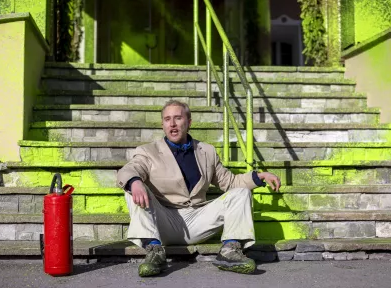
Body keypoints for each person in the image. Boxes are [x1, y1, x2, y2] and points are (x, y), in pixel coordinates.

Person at [117, 100, 281, 277]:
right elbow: (129, 169)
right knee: (132, 187)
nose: (172, 124)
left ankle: (229, 252)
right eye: (167, 119)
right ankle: (155, 253)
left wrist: (259, 177)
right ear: (163, 124)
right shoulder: (148, 151)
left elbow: (230, 182)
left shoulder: (207, 151)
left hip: (198, 220)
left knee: (241, 193)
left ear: (189, 122)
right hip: (163, 221)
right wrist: (135, 182)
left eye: (178, 118)